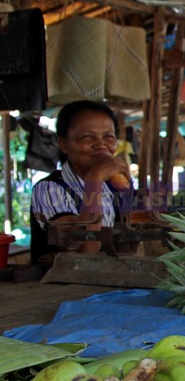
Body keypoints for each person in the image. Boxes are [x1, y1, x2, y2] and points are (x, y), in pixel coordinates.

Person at [30, 100, 134, 264]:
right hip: (60, 285)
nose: (101, 145)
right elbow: (86, 249)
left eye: (109, 137)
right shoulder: (48, 189)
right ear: (64, 144)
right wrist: (95, 179)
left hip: (110, 280)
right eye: (87, 137)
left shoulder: (116, 185)